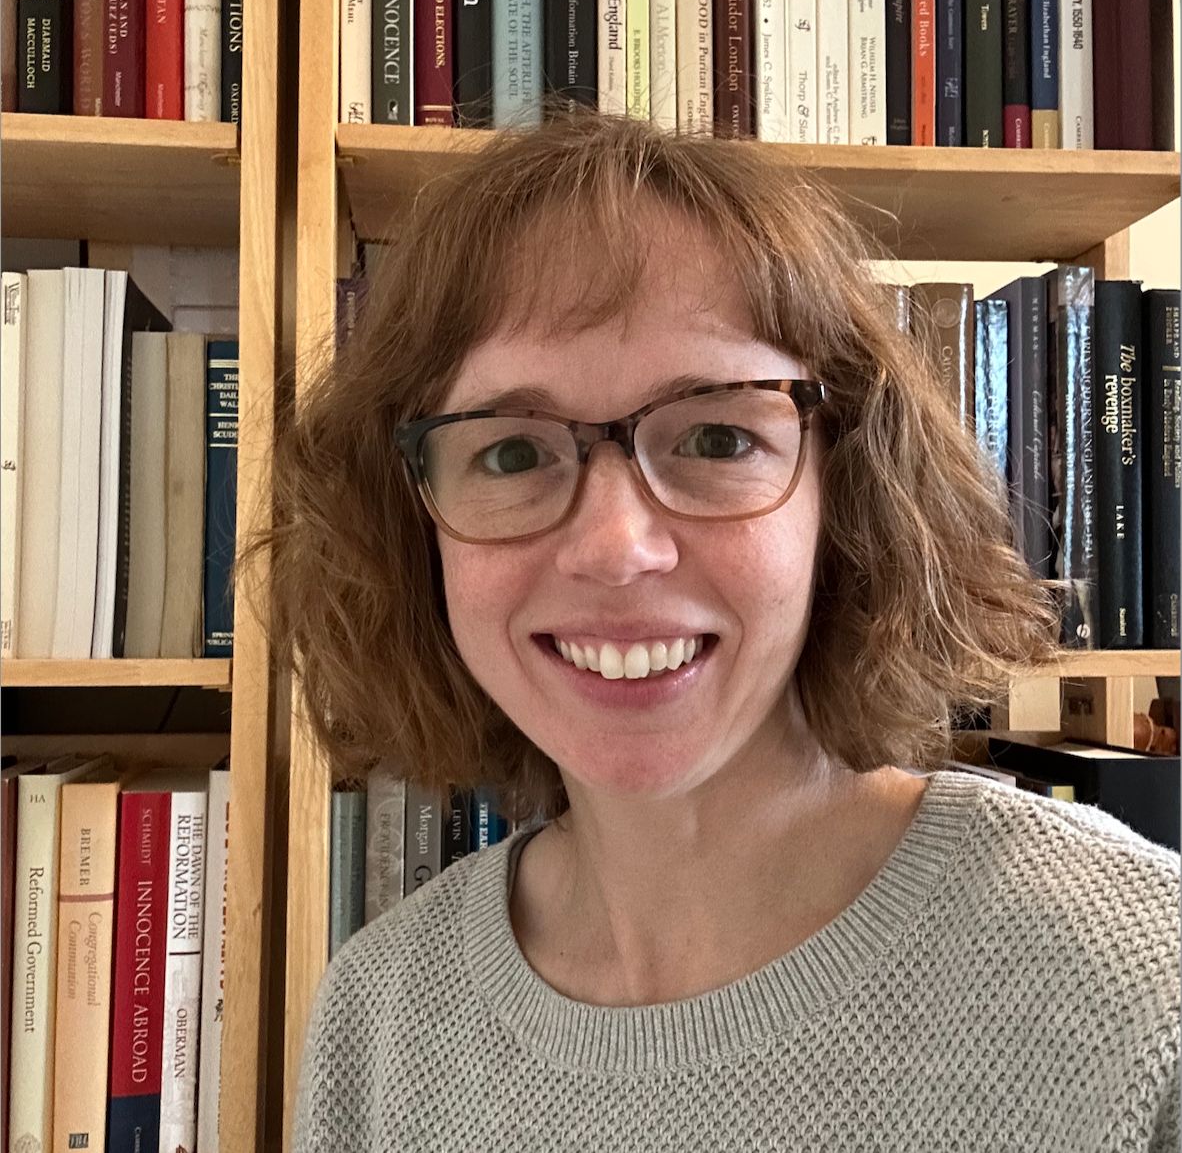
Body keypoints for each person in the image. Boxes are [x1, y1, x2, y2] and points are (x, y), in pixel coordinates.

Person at [268, 113, 1179, 1151]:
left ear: (848, 492)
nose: (617, 548)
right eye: (513, 454)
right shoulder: (382, 1013)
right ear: (408, 527)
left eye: (715, 435)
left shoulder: (1138, 984)